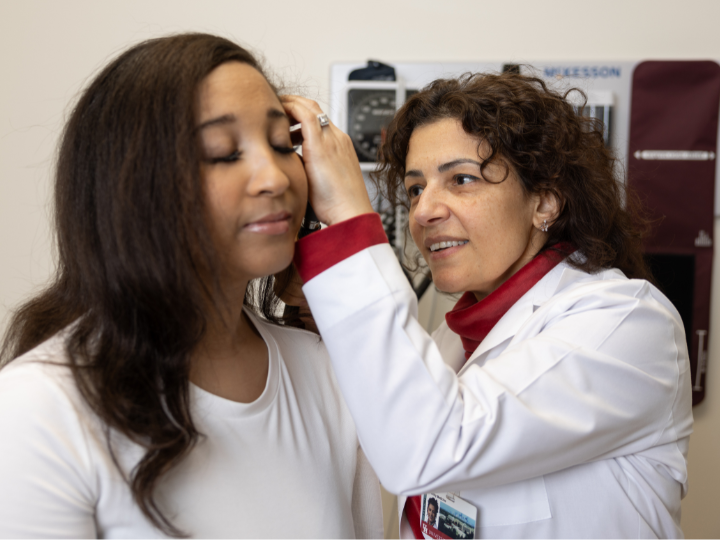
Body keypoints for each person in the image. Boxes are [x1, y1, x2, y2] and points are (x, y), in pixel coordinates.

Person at [0, 33, 382, 538]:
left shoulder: (326, 372)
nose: (274, 177)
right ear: (133, 188)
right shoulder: (39, 408)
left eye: (282, 143)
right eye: (223, 153)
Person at [282, 72, 693, 538]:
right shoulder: (450, 342)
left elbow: (432, 443)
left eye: (460, 179)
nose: (423, 212)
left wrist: (350, 223)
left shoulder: (625, 322)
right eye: (416, 188)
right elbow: (375, 424)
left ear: (546, 200)